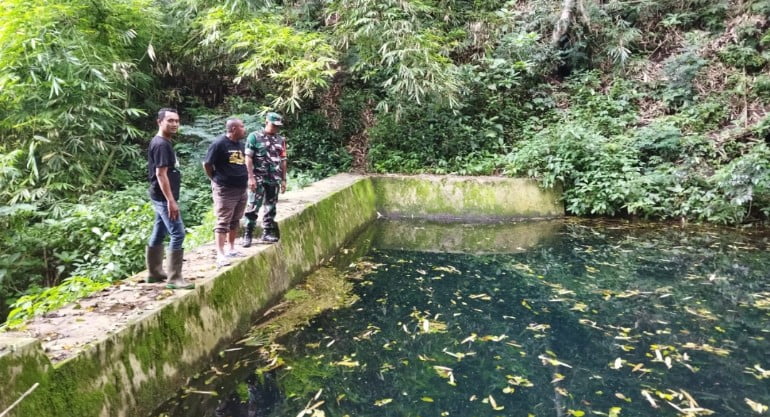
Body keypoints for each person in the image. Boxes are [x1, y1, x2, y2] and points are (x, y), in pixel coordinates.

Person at [145, 108, 194, 289]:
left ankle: (154, 272)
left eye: (177, 121)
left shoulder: (164, 142)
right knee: (178, 233)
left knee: (159, 231)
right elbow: (160, 174)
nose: (174, 124)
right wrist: (171, 201)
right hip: (163, 197)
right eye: (170, 121)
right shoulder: (161, 144)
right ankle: (174, 278)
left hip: (160, 196)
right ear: (160, 122)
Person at [203, 118, 249, 267]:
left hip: (241, 188)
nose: (244, 128)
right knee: (223, 221)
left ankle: (231, 248)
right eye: (242, 126)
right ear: (234, 128)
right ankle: (220, 254)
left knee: (235, 220)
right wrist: (215, 179)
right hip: (225, 189)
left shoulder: (240, 145)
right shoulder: (219, 144)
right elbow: (207, 164)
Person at [242, 112, 287, 247]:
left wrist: (284, 179)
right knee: (253, 207)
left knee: (270, 207)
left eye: (278, 126)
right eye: (274, 125)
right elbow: (248, 158)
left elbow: (283, 160)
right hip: (258, 178)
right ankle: (248, 234)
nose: (276, 128)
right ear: (266, 122)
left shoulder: (281, 140)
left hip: (274, 179)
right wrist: (250, 177)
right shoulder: (254, 137)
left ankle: (267, 232)